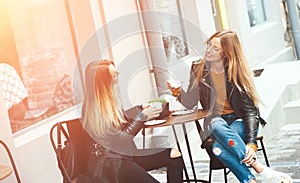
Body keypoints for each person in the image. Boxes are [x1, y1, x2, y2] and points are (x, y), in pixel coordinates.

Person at [167, 30, 293, 183]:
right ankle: (258, 167)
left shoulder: (236, 70)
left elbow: (250, 111)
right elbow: (190, 102)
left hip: (239, 121)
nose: (209, 50)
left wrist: (252, 144)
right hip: (216, 122)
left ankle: (249, 181)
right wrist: (178, 92)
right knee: (215, 124)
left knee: (218, 149)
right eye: (209, 45)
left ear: (226, 53)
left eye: (216, 48)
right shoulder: (198, 68)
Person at [81, 59, 184, 183]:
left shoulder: (106, 101)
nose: (117, 75)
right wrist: (141, 118)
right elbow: (120, 140)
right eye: (114, 74)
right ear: (104, 81)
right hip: (112, 165)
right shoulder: (97, 108)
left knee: (174, 155)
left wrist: (140, 109)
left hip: (125, 156)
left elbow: (118, 121)